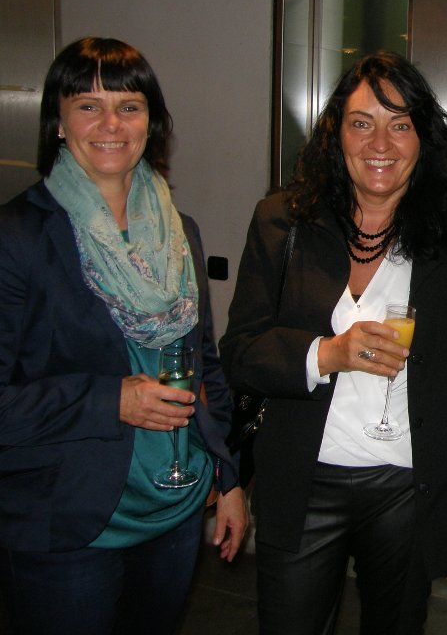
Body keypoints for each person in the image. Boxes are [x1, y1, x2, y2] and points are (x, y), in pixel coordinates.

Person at [219, 50, 447, 635]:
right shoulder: (282, 222)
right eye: (362, 123)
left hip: (407, 488)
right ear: (335, 133)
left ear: (423, 139)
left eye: (400, 125)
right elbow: (240, 352)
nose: (379, 144)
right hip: (303, 479)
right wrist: (329, 353)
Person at [0, 37, 247, 635]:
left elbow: (203, 364)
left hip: (175, 511)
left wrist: (228, 476)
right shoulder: (18, 237)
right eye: (88, 106)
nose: (111, 124)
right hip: (72, 524)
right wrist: (110, 399)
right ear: (59, 123)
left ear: (150, 122)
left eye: (129, 106)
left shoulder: (179, 231)